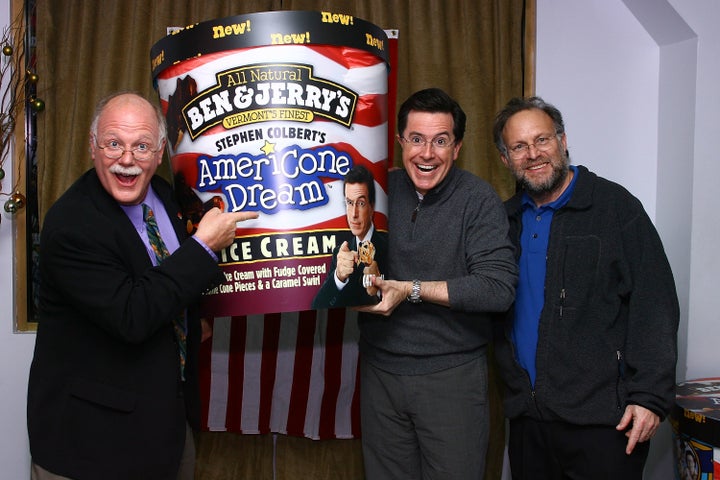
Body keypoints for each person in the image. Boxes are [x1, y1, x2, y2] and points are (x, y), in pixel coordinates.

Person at [26, 92, 258, 480]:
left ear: (160, 150)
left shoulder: (166, 197)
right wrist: (204, 246)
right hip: (90, 445)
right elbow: (131, 314)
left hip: (165, 429)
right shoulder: (71, 225)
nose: (127, 159)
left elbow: (173, 283)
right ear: (92, 146)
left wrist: (190, 319)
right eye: (114, 143)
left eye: (142, 146)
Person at [492, 96, 679, 479]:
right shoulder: (501, 222)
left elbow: (654, 304)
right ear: (505, 159)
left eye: (542, 140)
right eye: (519, 146)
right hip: (530, 421)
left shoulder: (616, 209)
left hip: (605, 426)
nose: (533, 154)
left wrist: (650, 397)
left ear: (562, 140)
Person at [358, 87, 518, 479]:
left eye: (440, 141)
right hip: (380, 372)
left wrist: (410, 288)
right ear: (399, 143)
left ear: (457, 147)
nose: (426, 153)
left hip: (451, 378)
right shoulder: (373, 194)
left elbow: (497, 288)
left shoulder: (478, 201)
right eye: (416, 139)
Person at [311, 164, 388, 309]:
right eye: (349, 203)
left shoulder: (389, 247)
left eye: (361, 203)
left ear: (372, 206)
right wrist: (338, 277)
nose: (353, 214)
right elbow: (317, 306)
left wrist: (379, 289)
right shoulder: (340, 252)